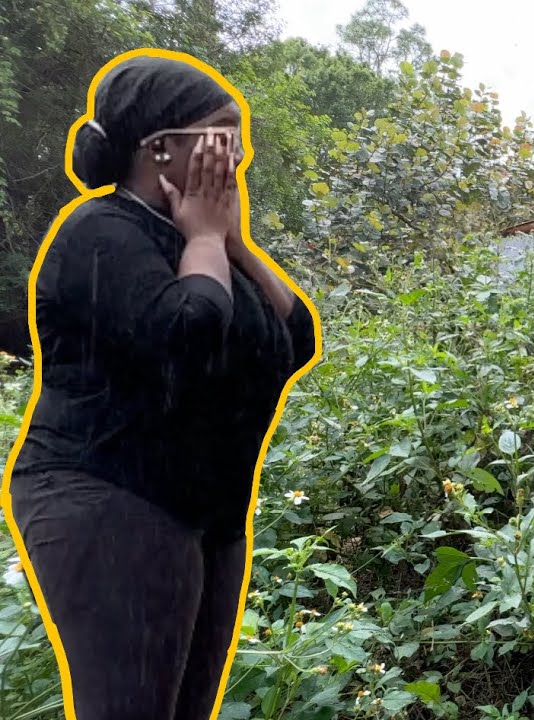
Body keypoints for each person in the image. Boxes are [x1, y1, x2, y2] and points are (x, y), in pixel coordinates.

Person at [3, 53, 317, 720]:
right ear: (161, 150)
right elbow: (187, 332)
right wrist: (203, 235)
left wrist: (233, 245)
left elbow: (296, 341)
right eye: (221, 135)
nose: (239, 152)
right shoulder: (100, 232)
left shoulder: (206, 248)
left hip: (203, 512)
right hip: (106, 495)